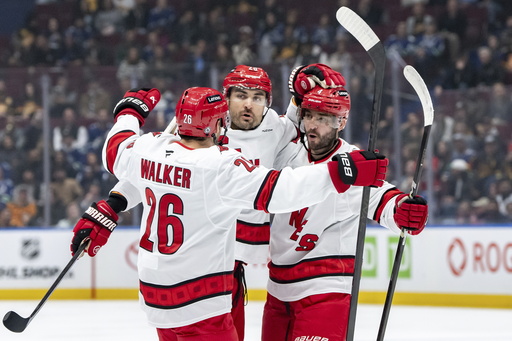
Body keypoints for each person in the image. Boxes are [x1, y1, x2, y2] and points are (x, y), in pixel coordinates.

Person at [69, 86, 388, 341]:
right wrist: (341, 173)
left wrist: (128, 112)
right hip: (200, 300)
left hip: (154, 299)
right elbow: (280, 190)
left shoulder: (149, 148)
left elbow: (115, 148)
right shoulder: (218, 165)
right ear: (216, 123)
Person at [261, 86, 429, 341]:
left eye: (323, 118)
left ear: (341, 122)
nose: (312, 125)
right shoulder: (289, 152)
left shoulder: (353, 164)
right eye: (309, 116)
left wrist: (403, 210)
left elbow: (381, 198)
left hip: (326, 290)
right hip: (278, 290)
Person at [220, 64, 345, 340]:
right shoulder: (206, 128)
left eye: (257, 97)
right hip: (209, 256)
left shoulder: (273, 126)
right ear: (225, 97)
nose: (248, 105)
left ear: (267, 103)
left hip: (234, 262)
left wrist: (300, 90)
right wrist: (117, 201)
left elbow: (301, 124)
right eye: (241, 95)